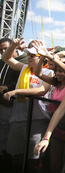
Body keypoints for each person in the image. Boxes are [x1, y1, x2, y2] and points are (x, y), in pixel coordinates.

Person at [1, 38, 53, 168]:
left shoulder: (48, 72)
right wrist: (13, 46)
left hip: (37, 120)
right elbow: (6, 58)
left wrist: (16, 91)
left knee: (33, 156)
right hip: (18, 117)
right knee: (16, 152)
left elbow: (42, 90)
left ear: (41, 57)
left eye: (32, 56)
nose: (29, 58)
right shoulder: (24, 67)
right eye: (28, 55)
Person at [33, 40, 65, 173]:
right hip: (56, 127)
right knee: (54, 163)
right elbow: (38, 74)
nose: (58, 74)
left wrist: (52, 57)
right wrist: (42, 58)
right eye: (57, 71)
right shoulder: (56, 83)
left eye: (61, 71)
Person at [0, 38, 27, 163]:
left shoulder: (24, 61)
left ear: (14, 47)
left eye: (6, 48)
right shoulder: (1, 62)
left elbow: (25, 82)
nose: (3, 51)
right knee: (3, 131)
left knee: (15, 133)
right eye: (0, 50)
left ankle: (16, 160)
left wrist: (9, 87)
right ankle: (5, 157)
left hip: (16, 105)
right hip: (3, 104)